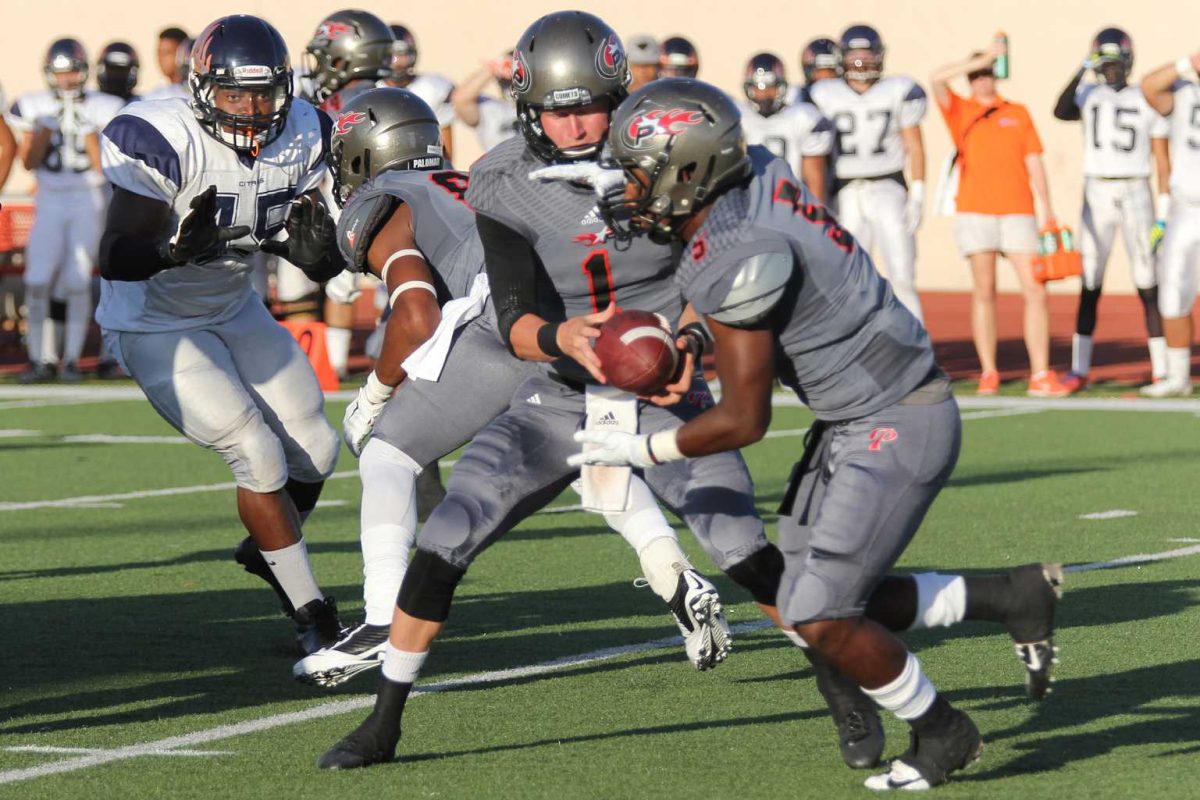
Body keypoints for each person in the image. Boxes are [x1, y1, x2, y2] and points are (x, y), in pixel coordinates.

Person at [315, 12, 793, 770]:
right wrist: (562, 338)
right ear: (529, 105)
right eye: (560, 108)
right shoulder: (502, 180)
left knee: (738, 544)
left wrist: (690, 338)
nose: (577, 124)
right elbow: (512, 315)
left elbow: (725, 258)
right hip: (553, 389)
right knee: (448, 535)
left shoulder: (661, 159)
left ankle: (848, 683)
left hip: (661, 387)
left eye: (591, 106)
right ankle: (384, 721)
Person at [578, 77, 1065, 791]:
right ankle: (1012, 596)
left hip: (894, 417)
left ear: (689, 171)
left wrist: (641, 449)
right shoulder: (759, 170)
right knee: (818, 594)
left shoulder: (736, 251)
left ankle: (943, 729)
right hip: (862, 408)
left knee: (817, 611)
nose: (629, 187)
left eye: (638, 170)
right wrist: (688, 334)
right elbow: (741, 283)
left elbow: (746, 419)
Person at [294, 86, 731, 686]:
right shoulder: (462, 181)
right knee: (587, 451)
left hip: (499, 321)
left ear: (365, 154)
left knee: (387, 455)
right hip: (562, 318)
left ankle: (379, 621)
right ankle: (671, 571)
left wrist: (373, 395)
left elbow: (417, 313)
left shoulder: (384, 198)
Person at [96, 14, 347, 652]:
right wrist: (169, 252)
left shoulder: (306, 130)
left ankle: (269, 550)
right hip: (152, 320)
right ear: (204, 87)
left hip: (234, 306)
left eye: (264, 93)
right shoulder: (159, 135)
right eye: (236, 93)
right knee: (254, 451)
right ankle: (312, 613)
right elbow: (115, 254)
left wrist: (318, 254)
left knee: (317, 448)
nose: (253, 108)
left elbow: (313, 254)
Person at [932, 42, 1070, 397]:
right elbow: (935, 79)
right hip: (975, 211)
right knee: (984, 291)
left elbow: (1034, 160)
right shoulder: (959, 110)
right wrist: (978, 58)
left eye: (987, 73)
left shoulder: (1017, 112)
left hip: (1018, 211)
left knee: (1035, 289)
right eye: (976, 75)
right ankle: (988, 371)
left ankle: (1040, 373)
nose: (982, 80)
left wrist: (1047, 207)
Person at [1053, 28, 1170, 393]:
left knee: (1147, 281)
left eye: (1116, 64)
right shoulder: (1088, 92)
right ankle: (1079, 368)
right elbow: (1060, 110)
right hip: (1097, 189)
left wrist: (1163, 208)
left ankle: (1163, 369)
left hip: (1136, 188)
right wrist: (1080, 68)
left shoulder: (1145, 96)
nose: (1111, 71)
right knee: (1090, 281)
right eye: (1105, 64)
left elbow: (1162, 156)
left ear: (1128, 63)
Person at [9, 38, 124, 383]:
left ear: (84, 72)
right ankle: (41, 359)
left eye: (72, 72)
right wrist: (45, 129)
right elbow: (28, 162)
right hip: (50, 197)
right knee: (38, 278)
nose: (67, 81)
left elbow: (103, 167)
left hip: (88, 197)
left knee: (76, 281)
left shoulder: (106, 105)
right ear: (48, 74)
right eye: (60, 74)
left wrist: (89, 133)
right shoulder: (34, 104)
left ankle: (71, 360)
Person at [807, 25, 927, 321]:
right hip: (844, 193)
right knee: (848, 280)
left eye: (866, 54)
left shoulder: (897, 89)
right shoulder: (823, 93)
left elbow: (915, 145)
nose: (861, 62)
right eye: (855, 55)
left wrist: (919, 194)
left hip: (889, 187)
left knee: (901, 276)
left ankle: (918, 352)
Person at [1139, 48, 1200, 396]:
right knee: (1174, 294)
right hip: (1185, 209)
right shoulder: (1183, 93)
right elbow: (1149, 85)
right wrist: (1186, 63)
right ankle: (1178, 377)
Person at [738, 52, 833, 201]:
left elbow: (814, 175)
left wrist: (817, 213)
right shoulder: (739, 117)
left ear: (781, 87)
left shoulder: (803, 117)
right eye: (759, 88)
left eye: (770, 87)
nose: (764, 94)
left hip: (792, 200)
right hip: (750, 200)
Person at [379, 24, 455, 161]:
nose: (397, 63)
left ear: (412, 54)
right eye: (392, 56)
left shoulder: (432, 87)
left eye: (402, 55)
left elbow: (446, 152)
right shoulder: (368, 88)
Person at [450, 52, 518, 154]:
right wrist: (492, 69)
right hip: (501, 167)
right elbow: (460, 100)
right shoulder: (492, 109)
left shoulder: (542, 106)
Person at [145, 27, 188, 100]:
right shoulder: (157, 93)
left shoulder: (192, 95)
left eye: (166, 53)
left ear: (183, 54)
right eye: (159, 53)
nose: (160, 58)